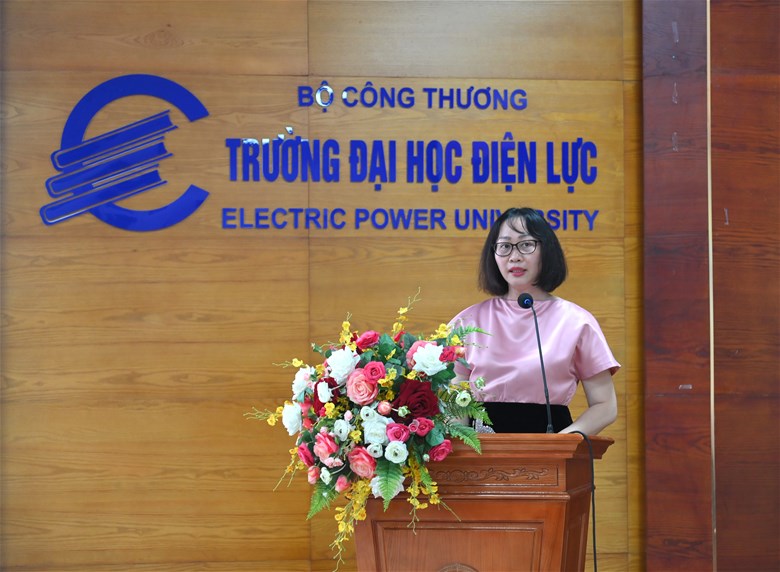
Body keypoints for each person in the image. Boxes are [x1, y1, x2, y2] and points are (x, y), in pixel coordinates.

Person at [450, 207, 619, 434]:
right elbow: (454, 403)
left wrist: (560, 445)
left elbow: (605, 405)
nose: (515, 256)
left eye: (526, 244)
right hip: (481, 446)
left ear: (546, 250)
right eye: (505, 246)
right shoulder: (468, 322)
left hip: (551, 444)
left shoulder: (576, 322)